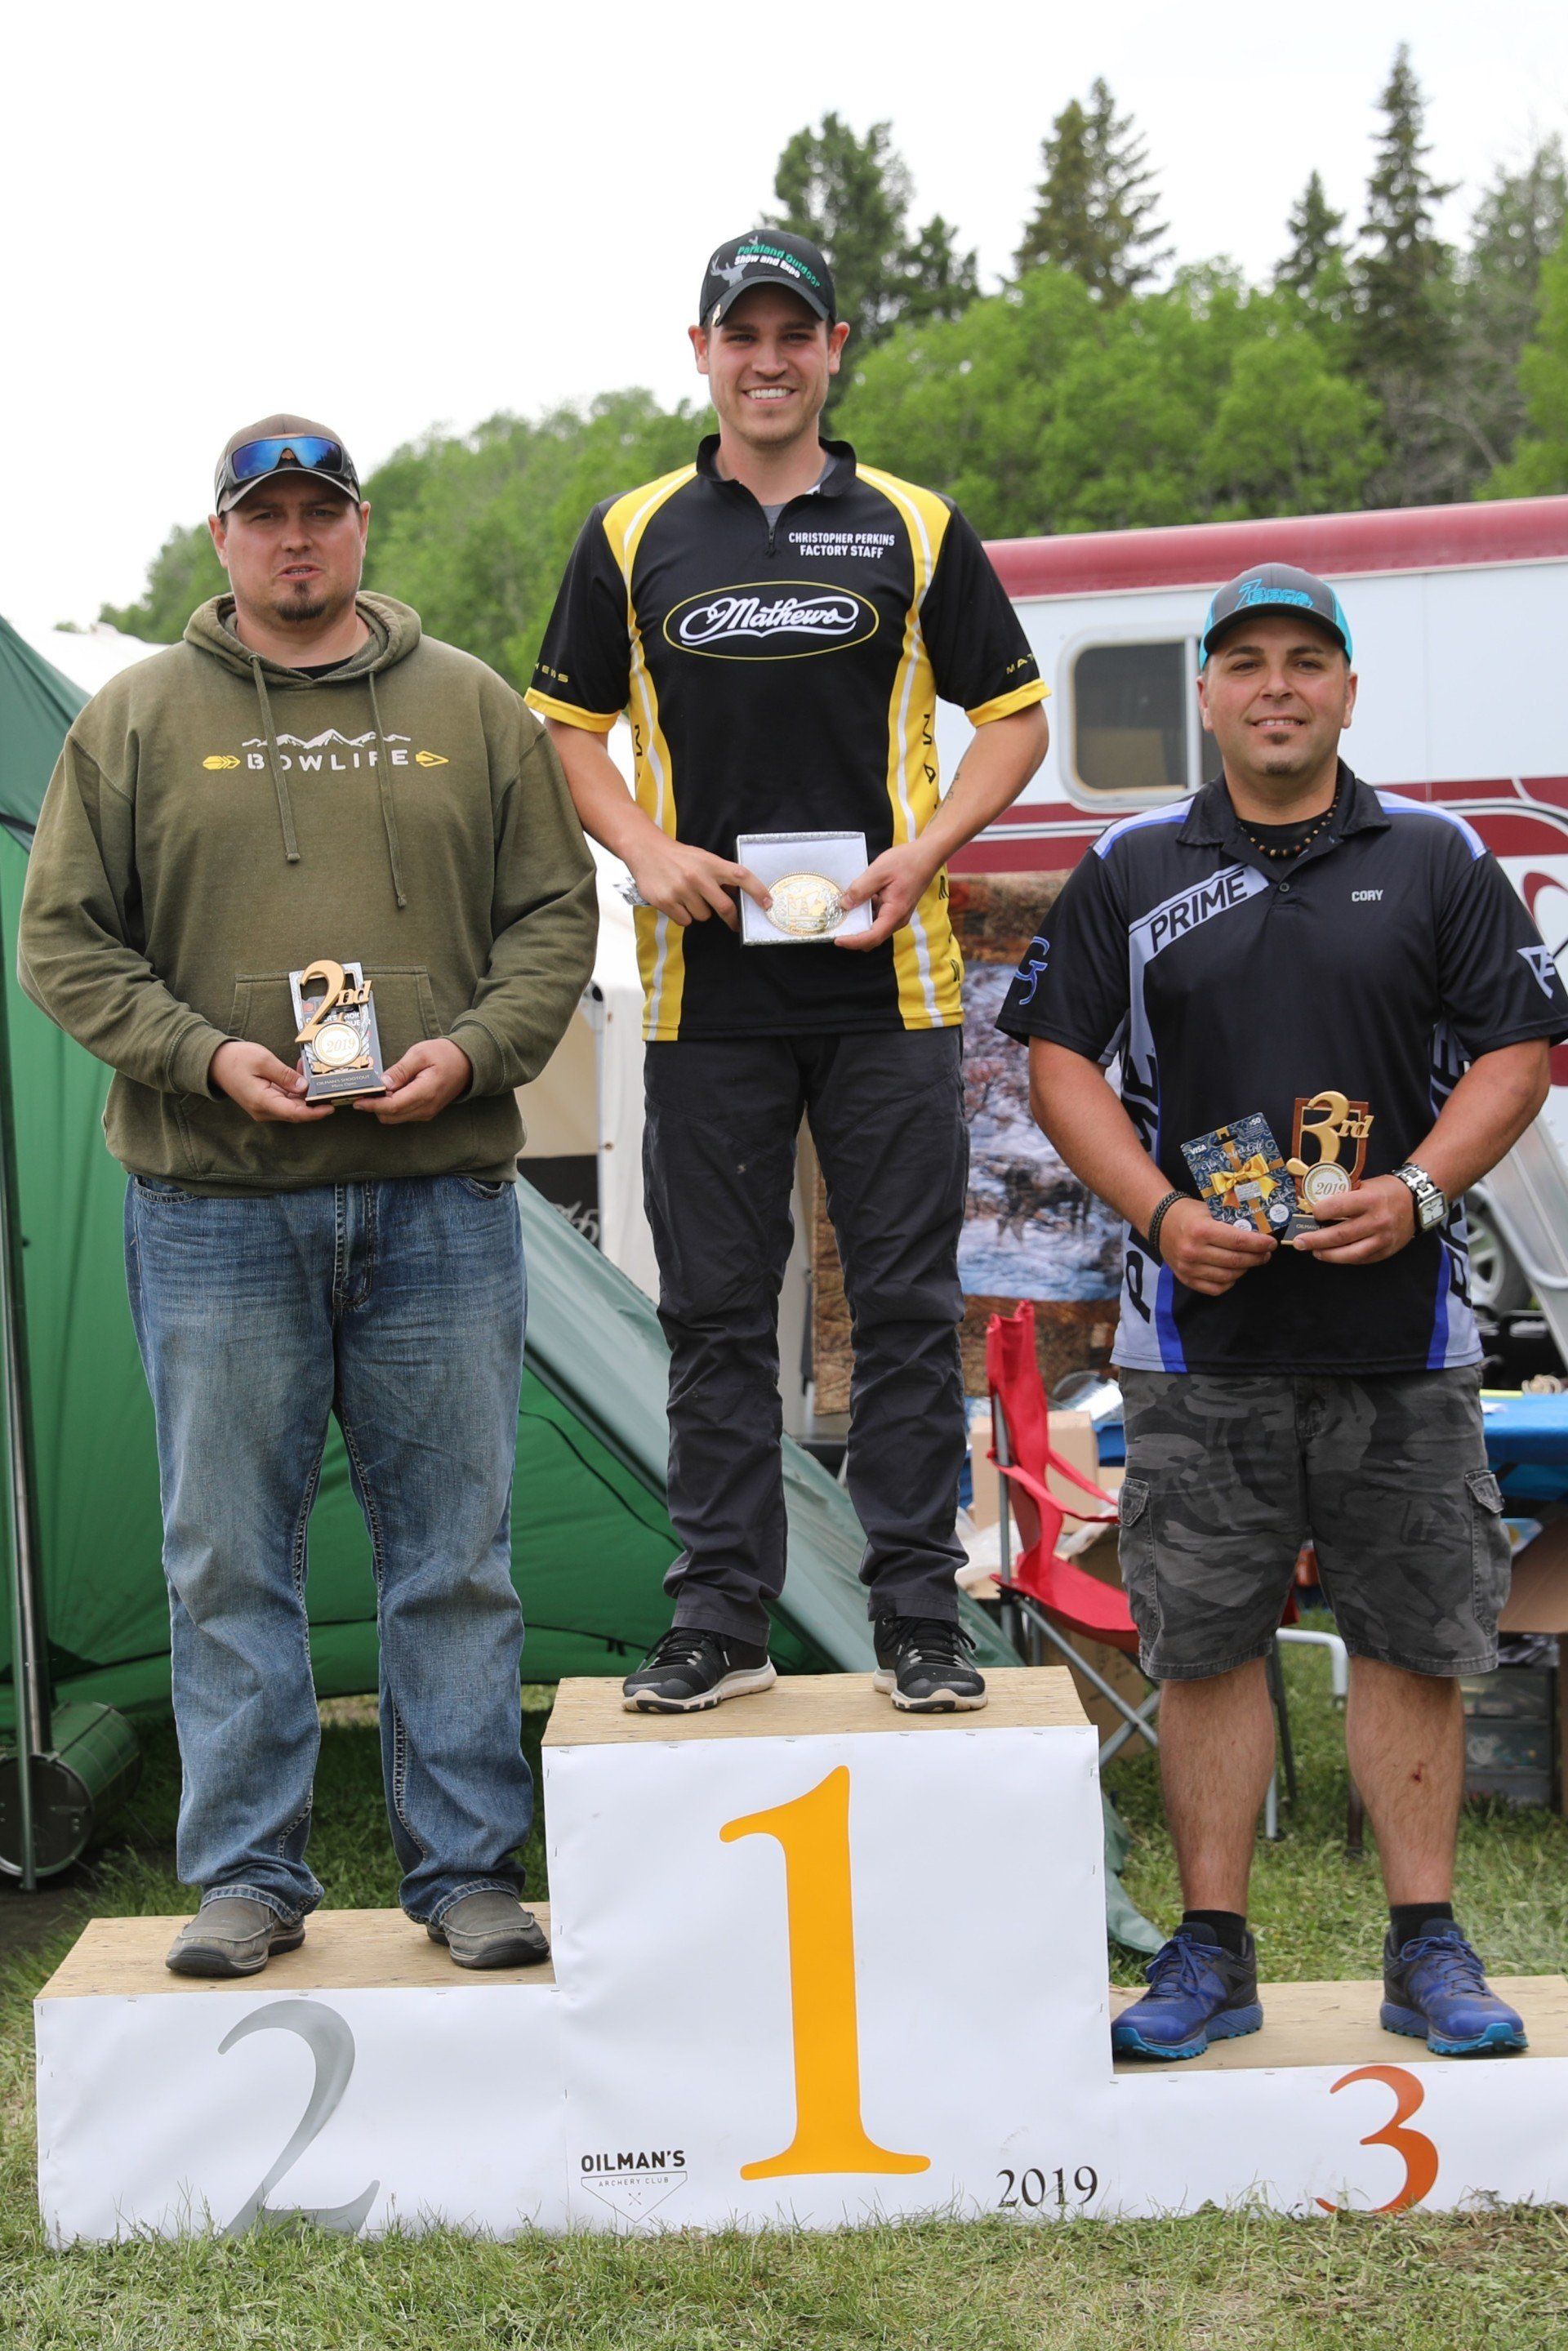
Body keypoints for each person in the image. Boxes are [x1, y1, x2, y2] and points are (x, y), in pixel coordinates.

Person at [19, 416, 597, 1976]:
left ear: (359, 529)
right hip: (213, 1206)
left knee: (455, 1555)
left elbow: (555, 913)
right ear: (222, 538)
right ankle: (248, 1881)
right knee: (224, 1555)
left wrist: (476, 1054)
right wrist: (204, 1060)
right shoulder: (136, 716)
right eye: (264, 514)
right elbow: (65, 939)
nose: (295, 538)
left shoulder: (469, 706)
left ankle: (468, 1872)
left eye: (320, 512)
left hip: (439, 1200)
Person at [999, 561, 1568, 2057]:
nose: (1275, 686)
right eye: (1243, 661)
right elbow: (1057, 1062)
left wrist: (1426, 1193)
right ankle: (1214, 1952)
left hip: (1406, 1339)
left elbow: (1518, 1052)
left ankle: (1426, 1949)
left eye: (1304, 661)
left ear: (1349, 689)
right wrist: (1164, 1215)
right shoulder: (1130, 866)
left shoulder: (1440, 858)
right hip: (1195, 1345)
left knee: (1411, 1639)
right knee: (1203, 1647)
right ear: (1205, 693)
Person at [528, 231, 1049, 1713]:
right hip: (706, 993)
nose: (767, 358)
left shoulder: (914, 523)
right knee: (711, 1312)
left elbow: (1014, 718)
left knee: (902, 1306)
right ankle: (722, 1619)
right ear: (701, 352)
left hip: (892, 983)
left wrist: (928, 850)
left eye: (793, 333)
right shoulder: (633, 533)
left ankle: (921, 1616)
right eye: (739, 333)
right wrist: (643, 850)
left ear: (833, 349)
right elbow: (567, 725)